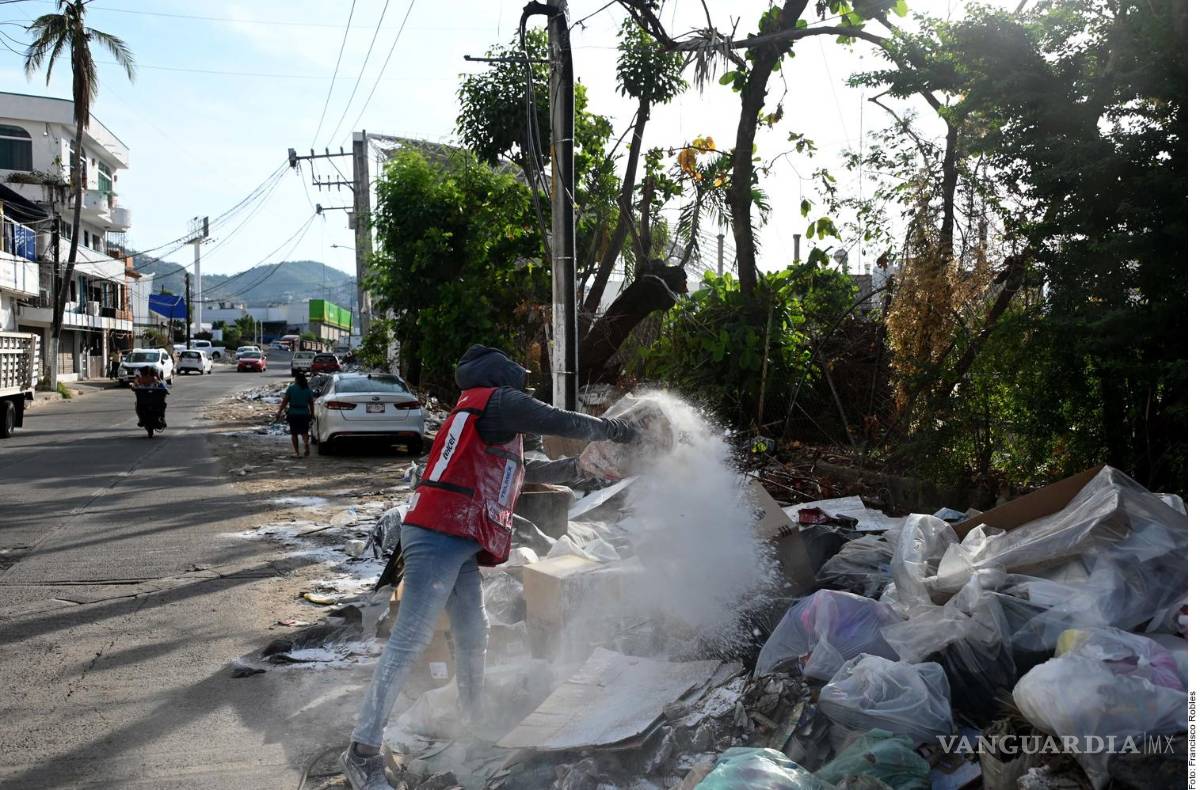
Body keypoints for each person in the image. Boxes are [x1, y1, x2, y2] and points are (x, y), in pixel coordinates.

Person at [340, 345, 637, 789]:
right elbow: (560, 420)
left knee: (473, 631)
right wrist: (615, 430)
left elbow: (523, 474)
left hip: (454, 535)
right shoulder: (496, 401)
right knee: (411, 639)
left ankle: (472, 724)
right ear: (505, 379)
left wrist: (579, 467)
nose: (525, 396)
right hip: (441, 533)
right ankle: (362, 751)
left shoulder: (479, 418)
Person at [276, 371, 315, 457]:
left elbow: (285, 402)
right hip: (304, 413)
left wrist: (279, 412)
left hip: (293, 413)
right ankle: (306, 443)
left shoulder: (291, 388)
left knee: (294, 434)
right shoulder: (308, 390)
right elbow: (311, 404)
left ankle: (297, 452)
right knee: (304, 432)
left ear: (296, 379)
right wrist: (312, 415)